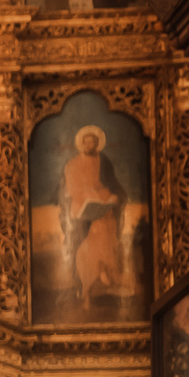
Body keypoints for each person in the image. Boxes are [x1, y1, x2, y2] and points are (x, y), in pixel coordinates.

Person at [61, 125, 127, 309]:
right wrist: (89, 195)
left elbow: (108, 184)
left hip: (100, 206)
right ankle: (86, 289)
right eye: (87, 141)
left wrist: (112, 196)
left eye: (93, 142)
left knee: (106, 230)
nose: (90, 144)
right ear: (82, 144)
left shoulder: (102, 161)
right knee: (86, 248)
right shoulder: (73, 164)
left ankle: (104, 272)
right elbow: (72, 189)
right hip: (81, 208)